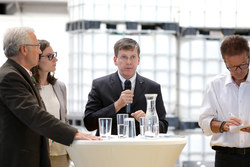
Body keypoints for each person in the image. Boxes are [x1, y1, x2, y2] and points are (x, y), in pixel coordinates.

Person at [0, 27, 100, 167]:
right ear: (23, 49)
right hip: (19, 158)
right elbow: (34, 114)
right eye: (36, 46)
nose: (39, 51)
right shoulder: (10, 76)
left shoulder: (19, 74)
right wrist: (73, 133)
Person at [84, 38, 168, 136]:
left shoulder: (153, 87)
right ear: (115, 60)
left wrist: (147, 121)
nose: (129, 62)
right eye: (124, 57)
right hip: (110, 148)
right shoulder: (100, 85)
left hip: (141, 148)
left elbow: (164, 127)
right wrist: (117, 105)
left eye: (133, 57)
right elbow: (89, 123)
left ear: (138, 60)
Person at [199, 35, 250, 167]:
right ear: (225, 62)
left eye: (243, 65)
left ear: (249, 57)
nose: (239, 71)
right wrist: (223, 126)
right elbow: (204, 122)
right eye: (232, 67)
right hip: (226, 158)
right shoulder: (215, 85)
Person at [30, 40, 70, 167]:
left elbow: (64, 118)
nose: (55, 59)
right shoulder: (29, 86)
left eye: (54, 55)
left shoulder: (60, 86)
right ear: (36, 59)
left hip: (61, 150)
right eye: (50, 56)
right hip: (39, 150)